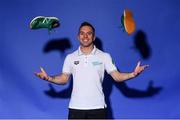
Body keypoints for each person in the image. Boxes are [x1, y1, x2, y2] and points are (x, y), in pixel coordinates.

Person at [35, 21, 149, 119]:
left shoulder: (105, 56)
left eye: (89, 33)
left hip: (98, 108)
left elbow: (117, 76)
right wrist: (49, 78)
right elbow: (64, 79)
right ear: (78, 36)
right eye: (82, 33)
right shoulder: (70, 57)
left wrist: (133, 74)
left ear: (93, 37)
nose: (85, 36)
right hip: (76, 109)